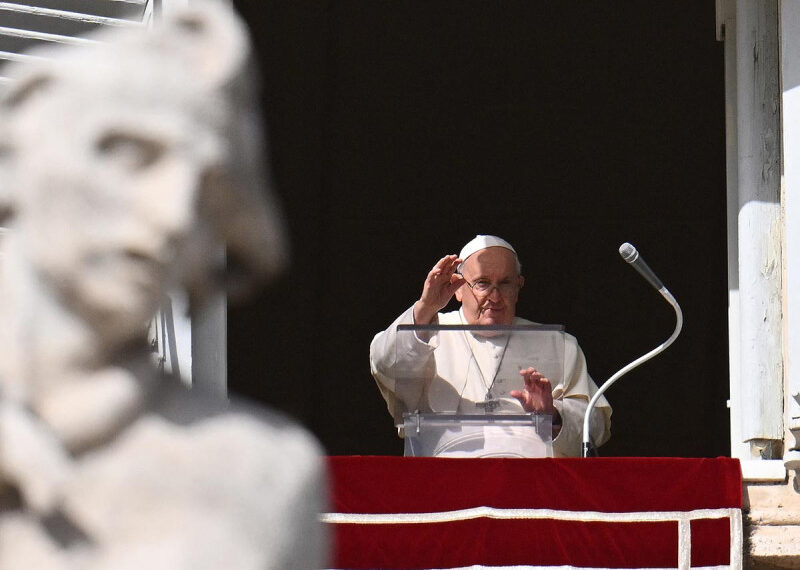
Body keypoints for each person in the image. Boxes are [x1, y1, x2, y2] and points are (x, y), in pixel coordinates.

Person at [370, 235, 611, 457]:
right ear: (459, 289)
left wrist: (552, 414)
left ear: (518, 287)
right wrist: (425, 307)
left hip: (532, 481)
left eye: (505, 284)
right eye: (482, 283)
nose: (494, 297)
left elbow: (596, 426)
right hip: (446, 479)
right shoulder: (426, 331)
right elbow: (385, 365)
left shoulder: (557, 343)